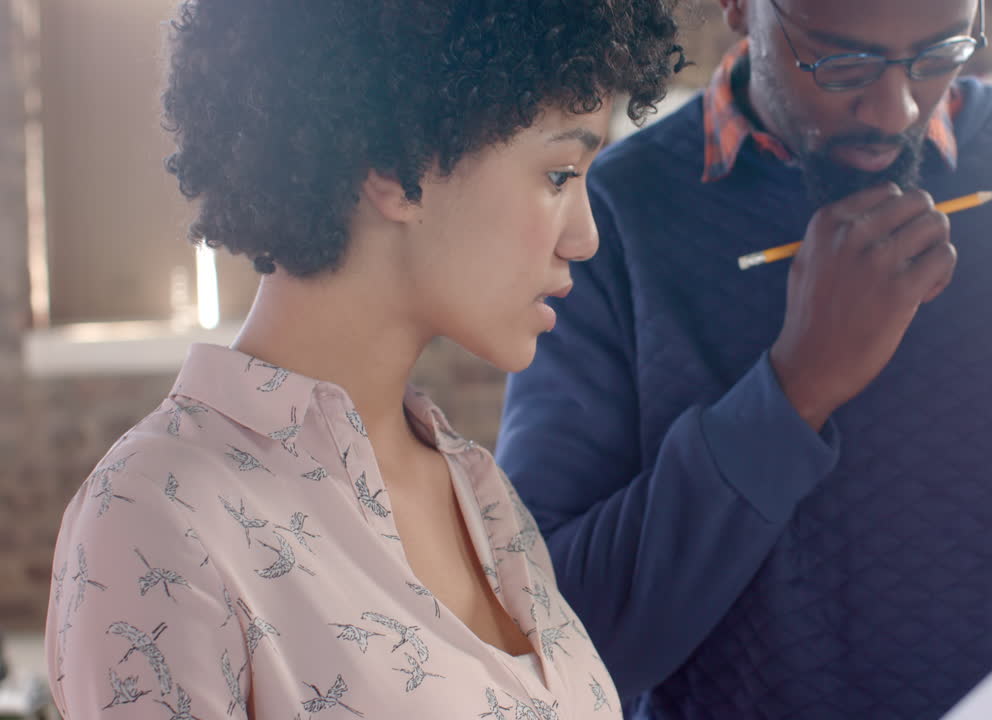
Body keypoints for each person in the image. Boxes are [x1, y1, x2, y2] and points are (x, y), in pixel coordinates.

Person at [496, 0, 992, 717]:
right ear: (737, 7)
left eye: (939, 52)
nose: (898, 111)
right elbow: (548, 650)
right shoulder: (600, 232)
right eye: (842, 61)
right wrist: (794, 388)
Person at [44, 1, 683, 717]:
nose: (586, 237)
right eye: (560, 174)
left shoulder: (476, 490)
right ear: (397, 164)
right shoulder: (156, 517)